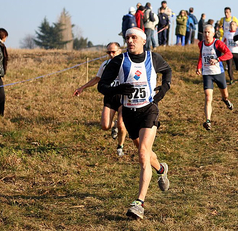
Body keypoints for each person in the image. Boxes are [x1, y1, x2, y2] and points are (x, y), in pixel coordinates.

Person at [98, 27, 172, 220]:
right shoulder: (119, 61)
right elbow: (102, 85)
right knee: (144, 152)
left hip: (149, 110)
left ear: (143, 40)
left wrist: (163, 89)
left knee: (142, 154)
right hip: (129, 114)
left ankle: (139, 203)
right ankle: (161, 169)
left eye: (134, 38)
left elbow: (168, 71)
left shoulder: (153, 58)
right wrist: (119, 88)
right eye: (127, 38)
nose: (130, 41)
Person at [73, 42, 127, 156]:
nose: (111, 54)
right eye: (108, 52)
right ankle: (114, 125)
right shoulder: (105, 64)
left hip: (123, 97)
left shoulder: (126, 63)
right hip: (109, 97)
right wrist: (82, 88)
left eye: (113, 52)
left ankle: (120, 147)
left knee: (122, 124)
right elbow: (97, 78)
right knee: (105, 126)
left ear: (120, 51)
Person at [196, 25, 234, 131]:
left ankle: (225, 100)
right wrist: (199, 67)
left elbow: (229, 54)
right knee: (208, 98)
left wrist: (218, 59)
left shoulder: (218, 43)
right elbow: (201, 56)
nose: (206, 35)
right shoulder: (201, 44)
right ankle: (208, 121)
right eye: (205, 32)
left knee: (225, 95)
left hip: (218, 73)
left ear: (213, 33)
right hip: (207, 74)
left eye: (208, 32)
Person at [0, 28, 9, 116]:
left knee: (1, 95)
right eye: (5, 37)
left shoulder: (0, 45)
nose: (6, 39)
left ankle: (0, 114)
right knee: (1, 95)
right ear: (2, 36)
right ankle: (0, 113)